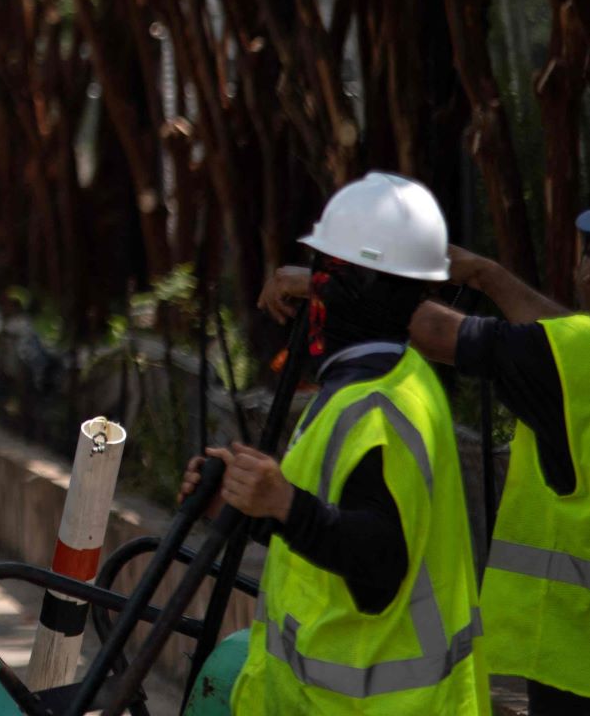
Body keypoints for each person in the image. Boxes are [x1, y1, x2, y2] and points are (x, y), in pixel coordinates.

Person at [264, 208, 590, 716]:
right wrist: (487, 275)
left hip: (578, 663)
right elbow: (560, 342)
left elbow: (446, 335)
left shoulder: (574, 359)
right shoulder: (572, 358)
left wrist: (333, 287)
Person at [184, 172, 487, 716]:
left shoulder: (378, 407)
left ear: (360, 288)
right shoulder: (387, 380)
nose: (314, 288)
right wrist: (244, 505)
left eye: (325, 273)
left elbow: (378, 561)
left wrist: (282, 504)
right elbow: (325, 525)